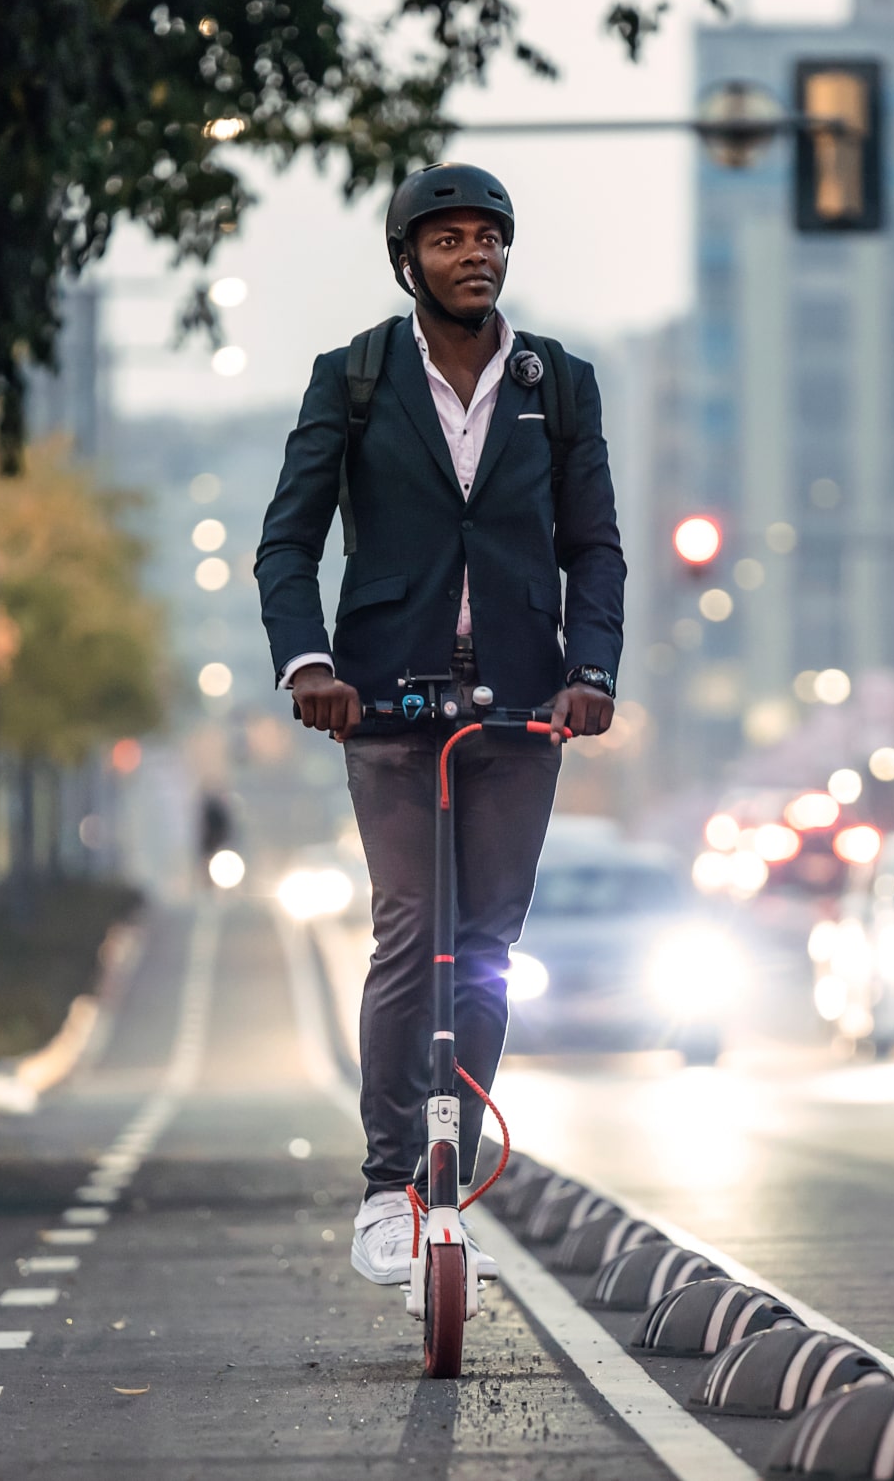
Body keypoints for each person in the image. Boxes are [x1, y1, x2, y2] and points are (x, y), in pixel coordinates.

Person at [255, 163, 625, 1287]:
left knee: (491, 950)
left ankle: (445, 1175)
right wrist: (311, 663)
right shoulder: (355, 379)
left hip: (521, 701)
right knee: (412, 927)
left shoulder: (555, 384)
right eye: (451, 238)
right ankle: (383, 1181)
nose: (476, 255)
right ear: (407, 257)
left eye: (491, 238)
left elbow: (593, 545)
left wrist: (591, 670)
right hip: (385, 697)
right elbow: (289, 540)